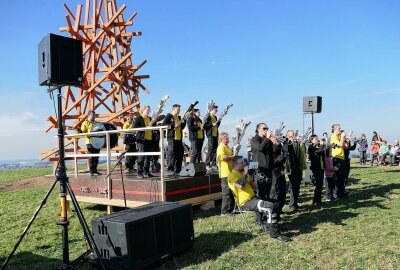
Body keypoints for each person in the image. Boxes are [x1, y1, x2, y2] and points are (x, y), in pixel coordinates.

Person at [227, 156, 290, 242]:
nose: (244, 164)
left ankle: (270, 226)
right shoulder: (231, 175)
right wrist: (245, 174)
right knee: (269, 206)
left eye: (244, 162)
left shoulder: (244, 174)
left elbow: (255, 187)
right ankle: (275, 234)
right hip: (245, 203)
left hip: (254, 198)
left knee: (276, 203)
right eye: (242, 163)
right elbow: (240, 186)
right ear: (236, 165)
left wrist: (255, 177)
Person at [282, 129, 307, 211]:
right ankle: (292, 204)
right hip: (291, 167)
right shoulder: (286, 143)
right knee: (294, 185)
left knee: (297, 185)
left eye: (294, 135)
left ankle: (295, 203)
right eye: (291, 135)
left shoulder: (297, 143)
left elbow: (302, 152)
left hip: (298, 166)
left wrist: (301, 142)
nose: (293, 136)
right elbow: (286, 150)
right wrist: (289, 141)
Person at [163, 104, 186, 175]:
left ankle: (178, 169)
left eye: (179, 110)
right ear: (173, 109)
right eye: (178, 109)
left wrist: (184, 121)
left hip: (179, 138)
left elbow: (181, 127)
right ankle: (170, 168)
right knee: (171, 154)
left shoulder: (179, 117)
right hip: (171, 138)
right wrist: (173, 125)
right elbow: (164, 124)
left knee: (180, 153)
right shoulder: (169, 116)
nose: (179, 111)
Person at [216, 132, 236, 215]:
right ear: (221, 139)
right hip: (225, 173)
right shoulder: (221, 147)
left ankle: (231, 209)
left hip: (230, 173)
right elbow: (224, 157)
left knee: (232, 192)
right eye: (225, 137)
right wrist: (232, 156)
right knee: (226, 193)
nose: (228, 138)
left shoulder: (227, 147)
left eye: (227, 137)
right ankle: (224, 212)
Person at [133, 105, 154, 178]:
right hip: (141, 139)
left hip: (149, 138)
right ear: (143, 110)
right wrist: (145, 127)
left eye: (149, 110)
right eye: (147, 110)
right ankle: (139, 172)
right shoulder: (139, 117)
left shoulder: (150, 118)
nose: (148, 111)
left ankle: (146, 171)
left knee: (148, 156)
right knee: (141, 155)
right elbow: (135, 127)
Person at [80, 110, 102, 176]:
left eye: (94, 115)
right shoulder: (85, 123)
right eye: (92, 115)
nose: (94, 117)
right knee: (91, 157)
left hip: (97, 142)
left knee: (96, 157)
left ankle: (95, 170)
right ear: (88, 115)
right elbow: (82, 132)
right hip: (89, 142)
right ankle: (91, 171)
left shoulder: (96, 123)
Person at [330, 124, 347, 198]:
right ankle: (336, 193)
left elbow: (345, 147)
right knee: (337, 176)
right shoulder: (333, 137)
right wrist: (343, 137)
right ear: (334, 129)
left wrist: (346, 139)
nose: (340, 130)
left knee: (342, 177)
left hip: (341, 158)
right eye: (339, 129)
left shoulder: (338, 137)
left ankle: (341, 193)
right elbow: (339, 145)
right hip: (337, 158)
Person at [308, 135, 325, 205]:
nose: (317, 139)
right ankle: (315, 201)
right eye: (316, 138)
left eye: (317, 138)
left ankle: (318, 200)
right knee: (318, 184)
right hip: (316, 168)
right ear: (312, 140)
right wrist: (321, 146)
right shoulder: (311, 147)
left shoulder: (317, 146)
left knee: (320, 184)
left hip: (321, 167)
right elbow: (318, 153)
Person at [204, 105, 220, 169]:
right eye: (215, 110)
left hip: (215, 135)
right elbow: (205, 126)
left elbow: (216, 126)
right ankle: (207, 164)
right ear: (211, 110)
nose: (216, 111)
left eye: (216, 110)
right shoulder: (208, 117)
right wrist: (211, 125)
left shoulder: (215, 117)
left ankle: (213, 163)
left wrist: (219, 121)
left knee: (215, 150)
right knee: (210, 150)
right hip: (210, 135)